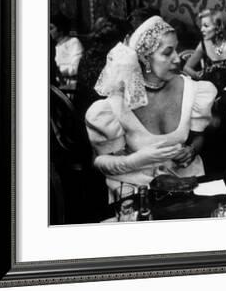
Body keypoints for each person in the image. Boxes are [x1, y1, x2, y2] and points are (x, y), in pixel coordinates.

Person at [85, 16, 218, 201]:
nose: (177, 59)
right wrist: (141, 159)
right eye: (167, 53)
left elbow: (198, 137)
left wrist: (191, 150)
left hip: (186, 184)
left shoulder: (193, 90)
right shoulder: (114, 106)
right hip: (135, 189)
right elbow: (100, 163)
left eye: (176, 50)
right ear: (144, 58)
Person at [50, 12, 84, 82]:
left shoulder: (73, 42)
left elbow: (76, 68)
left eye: (51, 28)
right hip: (57, 85)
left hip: (71, 86)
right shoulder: (55, 46)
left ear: (60, 29)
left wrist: (55, 70)